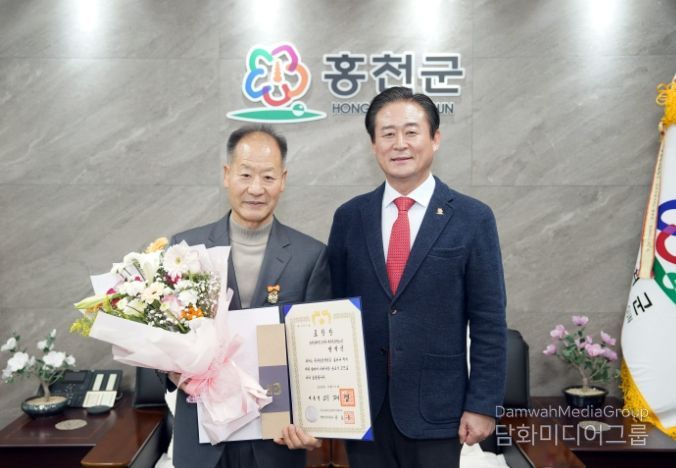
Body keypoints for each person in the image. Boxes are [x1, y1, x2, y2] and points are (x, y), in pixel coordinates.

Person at [327, 87, 507, 468]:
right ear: (373, 144)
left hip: (438, 411)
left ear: (435, 138)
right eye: (388, 134)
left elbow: (489, 321)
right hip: (363, 410)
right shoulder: (349, 218)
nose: (400, 144)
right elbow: (333, 312)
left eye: (411, 132)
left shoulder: (473, 219)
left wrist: (482, 404)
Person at [167, 125, 330, 468]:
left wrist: (318, 422)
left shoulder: (310, 256)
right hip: (203, 439)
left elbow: (318, 351)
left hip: (276, 441)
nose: (256, 188)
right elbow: (161, 336)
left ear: (283, 180)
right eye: (245, 175)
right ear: (227, 175)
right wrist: (171, 371)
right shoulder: (186, 249)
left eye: (268, 177)